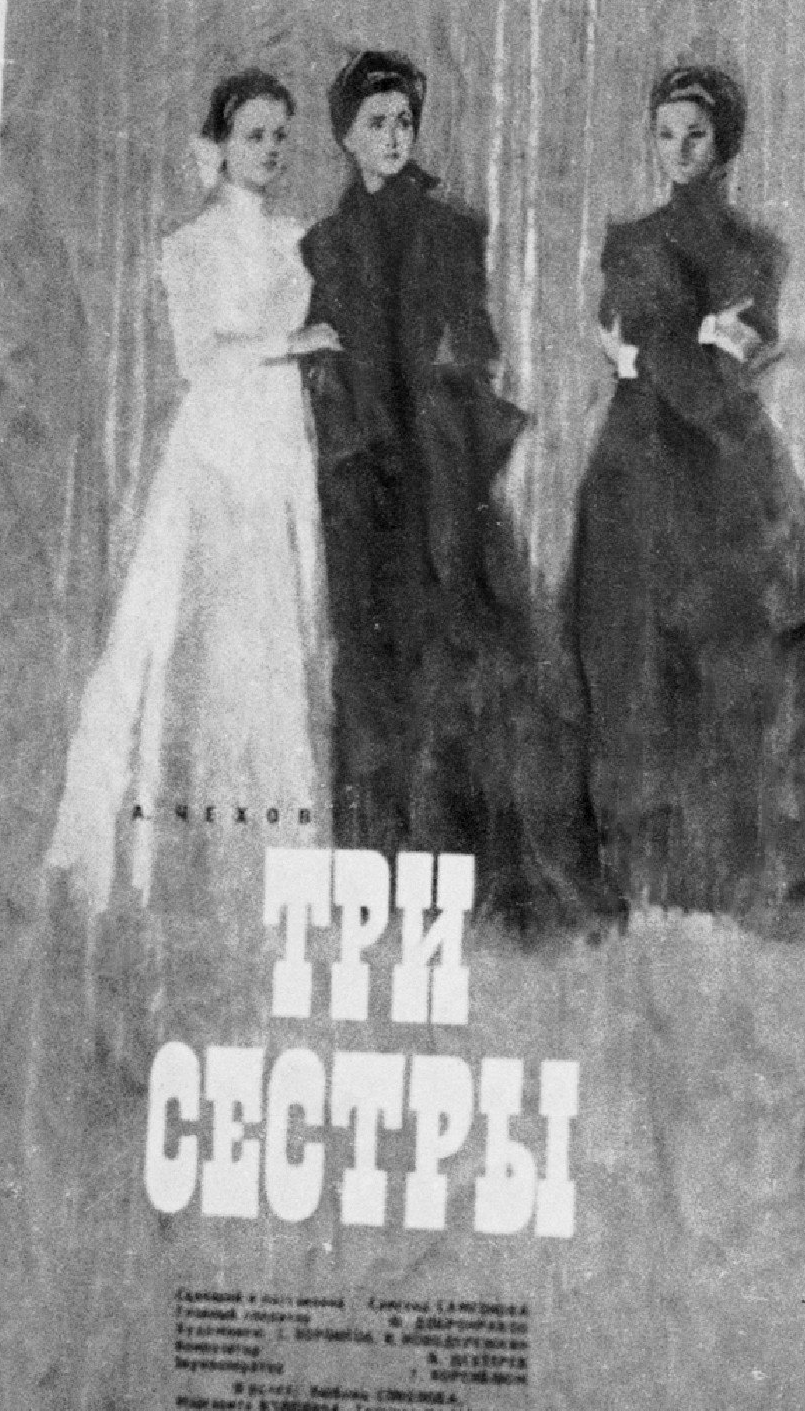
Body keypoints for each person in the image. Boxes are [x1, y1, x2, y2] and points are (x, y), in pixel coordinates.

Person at [295, 49, 586, 914]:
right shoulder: (323, 243)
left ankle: (468, 867)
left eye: (403, 122)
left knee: (461, 661)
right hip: (359, 482)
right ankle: (373, 873)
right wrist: (345, 421)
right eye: (376, 123)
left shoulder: (453, 228)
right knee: (368, 670)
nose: (392, 137)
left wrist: (446, 400)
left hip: (440, 474)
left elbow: (480, 343)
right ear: (346, 135)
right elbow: (317, 358)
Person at [568, 63, 805, 925]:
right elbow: (677, 353)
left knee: (732, 657)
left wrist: (651, 349)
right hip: (634, 469)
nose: (678, 150)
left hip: (724, 469)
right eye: (665, 134)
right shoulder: (628, 239)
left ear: (724, 140)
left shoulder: (755, 250)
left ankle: (725, 870)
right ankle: (640, 871)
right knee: (630, 659)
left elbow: (714, 374)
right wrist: (685, 340)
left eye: (695, 134)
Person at [42, 67, 333, 916]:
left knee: (273, 643)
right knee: (190, 638)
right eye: (255, 134)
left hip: (278, 447)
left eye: (282, 135)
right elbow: (196, 357)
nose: (271, 150)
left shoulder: (298, 238)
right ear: (220, 144)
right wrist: (291, 339)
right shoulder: (189, 246)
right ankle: (169, 863)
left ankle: (268, 871)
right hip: (216, 456)